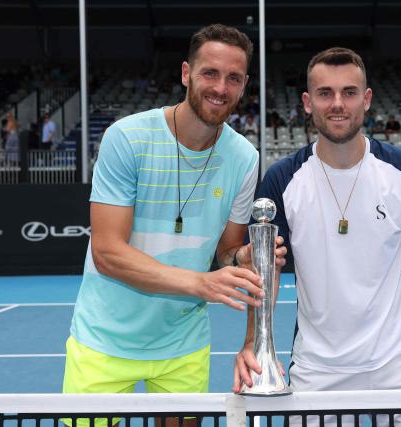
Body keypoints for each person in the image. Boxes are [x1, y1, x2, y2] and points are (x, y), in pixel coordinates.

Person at [62, 24, 283, 414]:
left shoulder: (244, 158)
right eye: (209, 73)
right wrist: (200, 283)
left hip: (184, 345)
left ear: (244, 84)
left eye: (233, 78)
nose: (220, 87)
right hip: (103, 341)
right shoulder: (127, 139)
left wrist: (243, 259)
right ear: (186, 74)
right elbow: (108, 253)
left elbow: (226, 253)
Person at [233, 47, 401, 427]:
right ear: (307, 102)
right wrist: (255, 342)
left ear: (366, 100)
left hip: (398, 362)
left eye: (349, 92)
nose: (338, 104)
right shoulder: (283, 178)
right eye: (325, 93)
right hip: (317, 368)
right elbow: (265, 267)